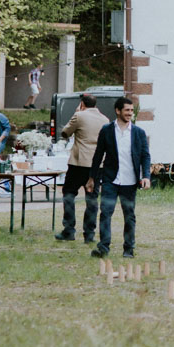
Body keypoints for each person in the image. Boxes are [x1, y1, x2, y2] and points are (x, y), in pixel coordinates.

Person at [87, 96, 151, 260]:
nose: (130, 113)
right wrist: (92, 178)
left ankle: (129, 248)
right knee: (106, 213)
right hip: (110, 180)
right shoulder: (107, 130)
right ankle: (103, 248)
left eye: (131, 110)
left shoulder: (138, 133)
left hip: (130, 182)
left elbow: (145, 156)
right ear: (118, 111)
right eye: (127, 110)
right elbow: (98, 155)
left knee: (129, 215)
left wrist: (146, 177)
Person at [56, 90, 106, 244]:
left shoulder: (79, 115)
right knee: (91, 198)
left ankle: (69, 229)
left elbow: (65, 133)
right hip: (97, 164)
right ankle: (89, 233)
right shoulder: (105, 119)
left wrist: (76, 114)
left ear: (82, 104)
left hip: (79, 162)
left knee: (69, 193)